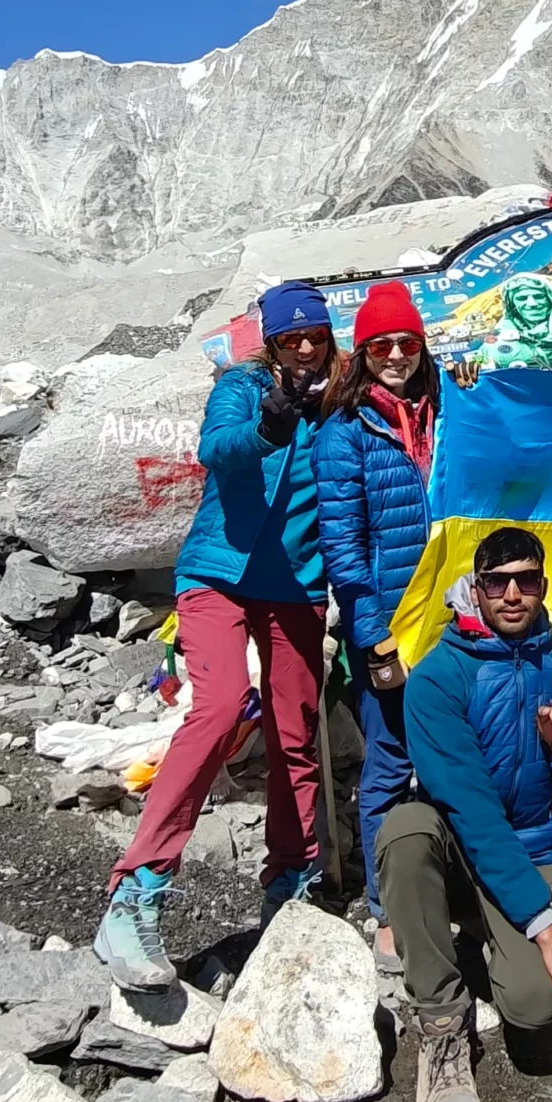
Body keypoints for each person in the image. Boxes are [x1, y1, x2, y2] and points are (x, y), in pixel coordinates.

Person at [96, 280, 336, 989]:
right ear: (272, 340)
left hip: (296, 580)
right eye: (291, 337)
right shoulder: (243, 387)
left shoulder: (339, 397)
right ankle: (137, 888)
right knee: (222, 705)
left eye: (315, 336)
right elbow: (216, 447)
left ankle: (290, 880)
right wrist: (269, 425)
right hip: (218, 571)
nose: (303, 347)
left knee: (295, 732)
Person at [382, 524, 552, 1102]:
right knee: (405, 829)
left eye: (525, 581)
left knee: (536, 1007)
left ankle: (490, 931)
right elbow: (472, 811)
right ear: (475, 589)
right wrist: (549, 932)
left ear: (543, 586)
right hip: (461, 848)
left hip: (537, 849)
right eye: (497, 582)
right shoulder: (437, 678)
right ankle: (442, 1024)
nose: (511, 594)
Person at [318, 279, 441, 981]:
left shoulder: (447, 411)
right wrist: (371, 633)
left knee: (458, 753)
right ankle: (388, 907)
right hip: (390, 625)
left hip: (453, 618)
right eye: (382, 345)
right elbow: (343, 546)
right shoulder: (345, 434)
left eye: (407, 343)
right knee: (389, 766)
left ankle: (451, 887)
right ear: (361, 354)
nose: (396, 355)